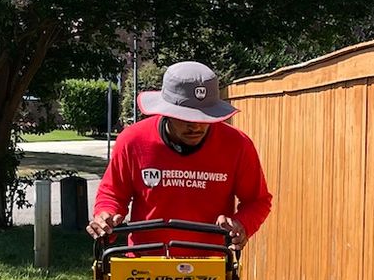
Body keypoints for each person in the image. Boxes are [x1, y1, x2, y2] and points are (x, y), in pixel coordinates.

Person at [86, 61, 272, 249]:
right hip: (146, 262)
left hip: (211, 263)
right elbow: (113, 194)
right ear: (166, 111)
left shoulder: (237, 145)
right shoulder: (133, 141)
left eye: (205, 117)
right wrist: (105, 216)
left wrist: (242, 224)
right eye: (186, 117)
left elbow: (257, 201)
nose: (196, 126)